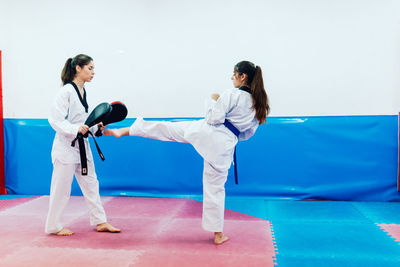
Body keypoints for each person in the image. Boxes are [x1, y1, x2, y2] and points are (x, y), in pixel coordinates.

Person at [104, 60, 269, 244]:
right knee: (215, 189)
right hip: (225, 146)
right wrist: (229, 137)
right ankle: (218, 234)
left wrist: (213, 100)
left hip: (207, 133)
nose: (232, 77)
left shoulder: (232, 94)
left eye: (234, 73)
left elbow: (213, 118)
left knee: (167, 129)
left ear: (242, 76)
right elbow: (247, 134)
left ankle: (126, 130)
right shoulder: (258, 104)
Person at [45, 54, 120, 236]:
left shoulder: (83, 92)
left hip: (82, 147)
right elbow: (55, 120)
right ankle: (53, 226)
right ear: (78, 68)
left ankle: (100, 221)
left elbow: (84, 122)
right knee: (61, 189)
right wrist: (75, 129)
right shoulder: (66, 92)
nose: (93, 72)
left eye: (93, 68)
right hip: (66, 147)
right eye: (90, 68)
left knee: (92, 184)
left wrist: (97, 128)